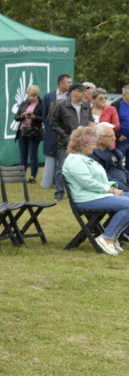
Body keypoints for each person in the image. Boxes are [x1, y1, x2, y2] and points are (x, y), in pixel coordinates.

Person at [62, 126, 129, 255]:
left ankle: (114, 236)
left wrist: (113, 187)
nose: (94, 147)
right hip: (87, 199)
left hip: (96, 196)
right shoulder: (74, 160)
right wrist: (110, 190)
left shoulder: (86, 159)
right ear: (83, 144)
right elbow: (88, 182)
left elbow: (101, 180)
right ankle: (107, 237)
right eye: (93, 144)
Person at [49, 83, 92, 201]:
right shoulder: (61, 105)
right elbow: (52, 123)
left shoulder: (86, 105)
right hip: (66, 142)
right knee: (61, 168)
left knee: (80, 169)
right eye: (82, 91)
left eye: (85, 91)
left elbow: (90, 121)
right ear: (73, 92)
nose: (85, 93)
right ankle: (59, 192)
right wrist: (64, 134)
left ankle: (75, 193)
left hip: (82, 143)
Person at [41, 73, 72, 188]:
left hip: (66, 134)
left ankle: (62, 184)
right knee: (51, 157)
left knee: (64, 160)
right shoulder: (48, 96)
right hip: (52, 134)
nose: (70, 84)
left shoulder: (71, 96)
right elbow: (44, 117)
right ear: (61, 83)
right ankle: (47, 182)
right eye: (68, 82)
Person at [14, 85, 44, 182]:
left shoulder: (42, 104)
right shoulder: (24, 103)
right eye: (30, 95)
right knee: (23, 155)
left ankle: (33, 177)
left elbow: (44, 119)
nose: (31, 98)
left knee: (33, 155)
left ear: (37, 95)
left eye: (33, 96)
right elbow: (16, 117)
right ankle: (21, 176)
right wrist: (22, 116)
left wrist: (34, 117)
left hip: (34, 132)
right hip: (23, 131)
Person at [91, 123, 128, 190]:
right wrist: (126, 189)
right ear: (99, 139)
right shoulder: (92, 156)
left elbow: (122, 170)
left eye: (114, 135)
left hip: (123, 186)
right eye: (110, 136)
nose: (114, 138)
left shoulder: (114, 152)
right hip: (111, 190)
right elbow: (104, 178)